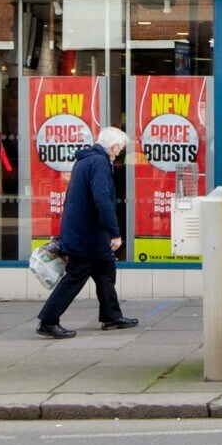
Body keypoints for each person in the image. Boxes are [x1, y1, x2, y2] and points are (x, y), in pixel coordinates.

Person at [36, 126, 137, 339]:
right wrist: (114, 232)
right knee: (76, 276)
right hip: (88, 233)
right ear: (113, 146)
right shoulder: (100, 163)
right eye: (120, 148)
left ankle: (111, 316)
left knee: (105, 272)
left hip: (82, 229)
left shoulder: (85, 160)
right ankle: (48, 320)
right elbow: (101, 198)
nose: (119, 153)